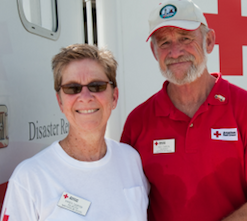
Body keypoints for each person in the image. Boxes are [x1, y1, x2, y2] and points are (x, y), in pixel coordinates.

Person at [120, 0, 247, 221]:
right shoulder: (138, 121)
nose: (175, 52)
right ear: (154, 53)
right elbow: (124, 201)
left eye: (185, 38)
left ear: (208, 41)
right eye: (164, 43)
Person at [0, 44, 149, 221]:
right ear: (60, 102)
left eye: (97, 86)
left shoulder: (131, 160)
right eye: (72, 88)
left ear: (114, 97)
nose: (85, 97)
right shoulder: (30, 177)